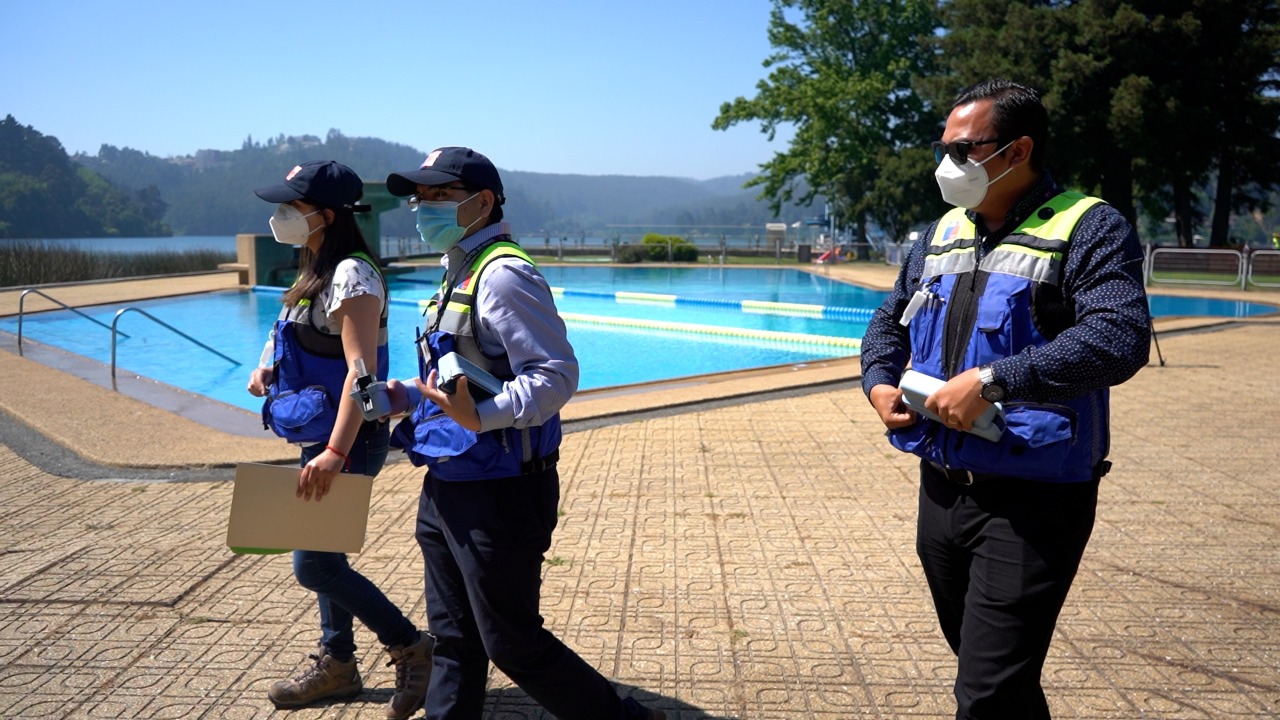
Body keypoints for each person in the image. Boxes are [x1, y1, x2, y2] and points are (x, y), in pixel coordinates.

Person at [859, 80, 1151, 718]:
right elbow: (889, 321)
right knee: (993, 674)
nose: (947, 165)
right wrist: (879, 382)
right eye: (944, 148)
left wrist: (994, 380)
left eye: (963, 150)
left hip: (1034, 498)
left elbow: (1120, 337)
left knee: (986, 692)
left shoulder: (1089, 226)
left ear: (1017, 151)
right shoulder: (943, 231)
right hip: (940, 490)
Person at [382, 146, 665, 720]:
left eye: (439, 195)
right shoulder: (459, 270)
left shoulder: (504, 275)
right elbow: (456, 381)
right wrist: (405, 397)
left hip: (503, 490)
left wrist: (481, 417)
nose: (422, 207)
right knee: (453, 637)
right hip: (449, 484)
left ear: (481, 202)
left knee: (512, 642)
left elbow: (556, 375)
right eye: (420, 197)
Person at [247, 160, 432, 719]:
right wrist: (267, 370)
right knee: (324, 550)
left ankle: (411, 646)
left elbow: (361, 372)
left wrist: (334, 451)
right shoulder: (316, 268)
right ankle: (338, 663)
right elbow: (293, 337)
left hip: (349, 437)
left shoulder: (353, 274)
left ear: (325, 215)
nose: (279, 216)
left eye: (290, 207)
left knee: (314, 564)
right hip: (326, 432)